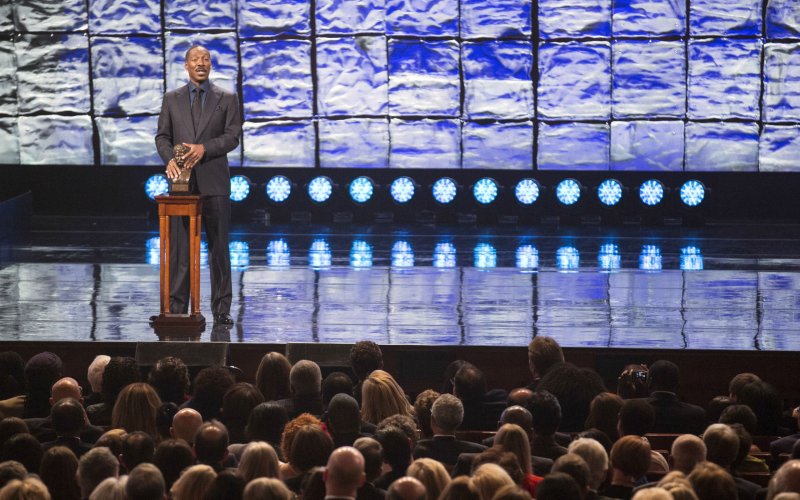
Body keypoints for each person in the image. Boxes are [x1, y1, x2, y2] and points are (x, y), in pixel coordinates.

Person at [155, 44, 242, 325]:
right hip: (182, 187)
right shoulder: (172, 99)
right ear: (186, 65)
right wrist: (170, 159)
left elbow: (232, 137)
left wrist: (204, 148)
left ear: (211, 64)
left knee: (219, 247)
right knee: (180, 248)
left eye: (205, 58)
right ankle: (178, 306)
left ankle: (221, 309)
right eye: (195, 59)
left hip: (214, 181)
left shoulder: (226, 98)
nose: (200, 63)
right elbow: (162, 137)